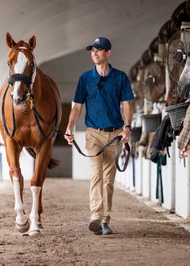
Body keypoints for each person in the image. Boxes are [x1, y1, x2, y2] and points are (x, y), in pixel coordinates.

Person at [64, 37, 134, 235]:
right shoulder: (85, 78)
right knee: (96, 175)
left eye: (99, 50)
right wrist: (69, 127)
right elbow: (77, 107)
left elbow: (127, 104)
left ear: (108, 53)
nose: (94, 53)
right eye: (92, 50)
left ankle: (105, 220)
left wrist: (127, 127)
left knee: (108, 180)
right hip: (93, 134)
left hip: (114, 134)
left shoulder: (120, 77)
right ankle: (95, 216)